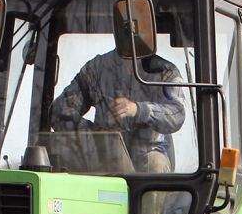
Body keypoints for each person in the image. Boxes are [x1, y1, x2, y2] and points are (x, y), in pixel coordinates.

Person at [50, 49, 186, 173]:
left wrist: (140, 110)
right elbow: (59, 112)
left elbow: (177, 114)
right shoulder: (96, 69)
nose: (131, 29)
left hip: (149, 154)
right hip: (107, 160)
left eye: (137, 24)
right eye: (123, 24)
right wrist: (96, 134)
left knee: (156, 164)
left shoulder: (164, 71)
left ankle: (140, 199)